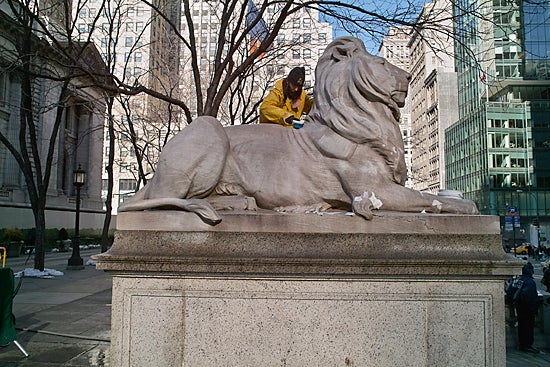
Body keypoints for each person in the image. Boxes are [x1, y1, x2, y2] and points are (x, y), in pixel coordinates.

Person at [515, 262, 540, 353]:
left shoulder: (518, 279)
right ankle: (527, 345)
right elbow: (528, 296)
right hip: (528, 308)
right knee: (528, 327)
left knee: (522, 327)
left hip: (519, 307)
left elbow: (511, 291)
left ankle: (522, 344)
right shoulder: (529, 281)